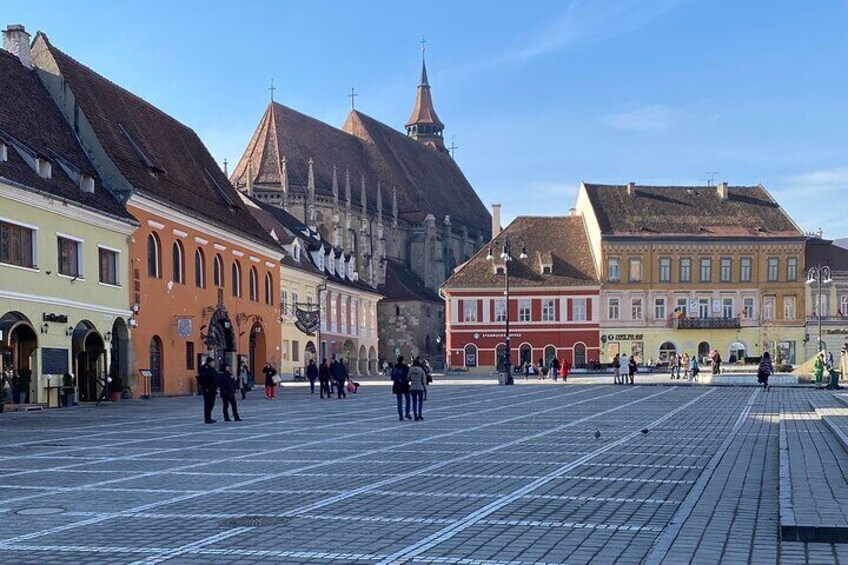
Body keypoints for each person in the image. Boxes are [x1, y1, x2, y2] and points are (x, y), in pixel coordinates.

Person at [198, 357, 220, 424]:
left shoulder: (212, 369)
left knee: (211, 403)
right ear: (209, 362)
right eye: (212, 362)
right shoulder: (205, 369)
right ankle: (207, 419)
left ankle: (209, 417)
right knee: (208, 403)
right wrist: (206, 388)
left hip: (213, 389)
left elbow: (216, 376)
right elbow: (203, 379)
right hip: (208, 389)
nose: (213, 363)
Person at [391, 356, 412, 421]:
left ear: (397, 360)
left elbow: (392, 377)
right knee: (408, 400)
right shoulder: (405, 367)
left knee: (399, 401)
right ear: (403, 360)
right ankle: (407, 413)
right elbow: (408, 376)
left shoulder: (395, 367)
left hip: (397, 385)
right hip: (405, 385)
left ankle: (401, 416)